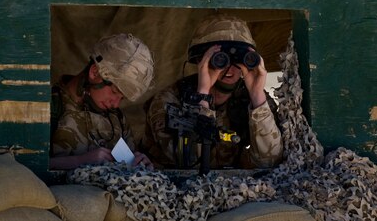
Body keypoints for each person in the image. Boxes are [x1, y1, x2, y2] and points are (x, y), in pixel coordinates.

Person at [144, 14, 283, 170]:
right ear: (199, 61)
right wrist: (202, 95)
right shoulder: (169, 101)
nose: (230, 69)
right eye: (220, 59)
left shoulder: (250, 98)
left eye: (238, 59)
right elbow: (191, 164)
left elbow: (270, 161)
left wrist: (257, 97)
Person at [50, 33, 155, 170]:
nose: (116, 104)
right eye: (114, 92)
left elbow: (129, 169)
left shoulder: (116, 118)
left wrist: (141, 165)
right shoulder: (49, 106)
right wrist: (79, 161)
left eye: (121, 98)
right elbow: (23, 165)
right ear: (95, 73)